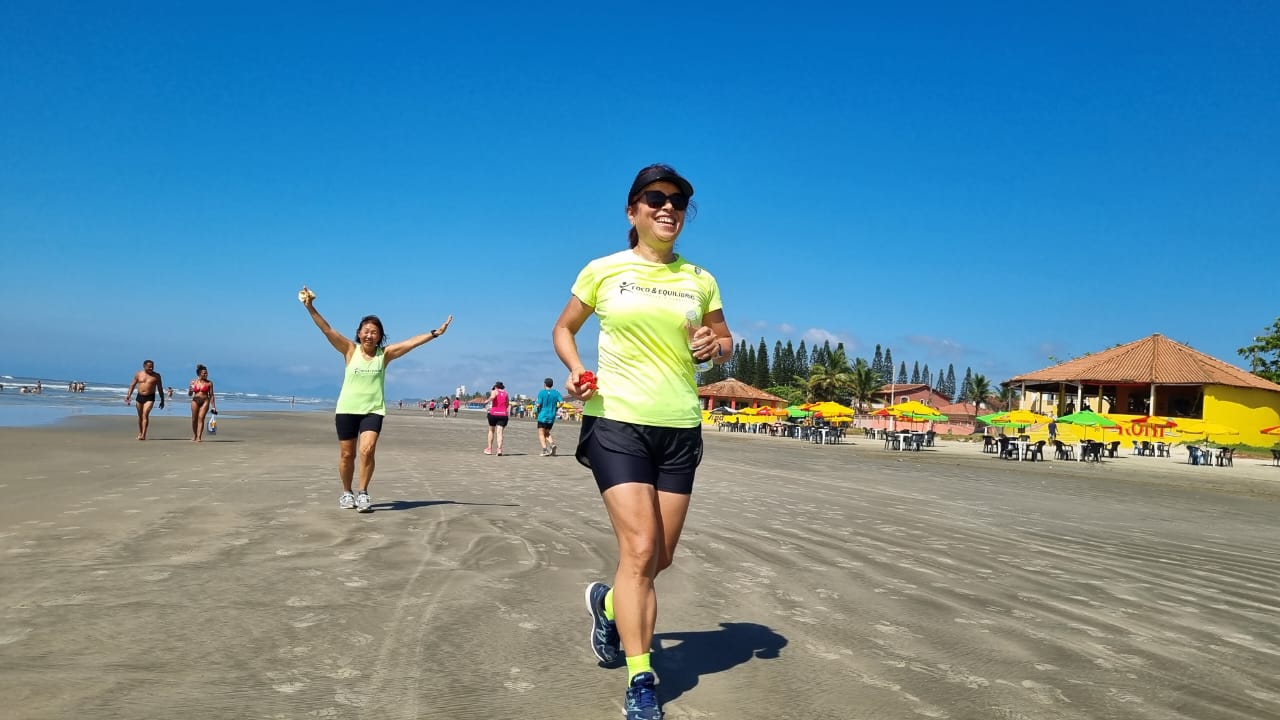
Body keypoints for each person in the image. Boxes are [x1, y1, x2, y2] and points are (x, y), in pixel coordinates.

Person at [552, 164, 732, 720]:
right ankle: (642, 679)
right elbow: (564, 328)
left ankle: (607, 605)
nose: (668, 207)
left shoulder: (700, 279)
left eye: (678, 201)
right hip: (617, 422)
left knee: (662, 555)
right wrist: (577, 369)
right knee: (638, 550)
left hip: (679, 425)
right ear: (632, 210)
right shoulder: (604, 271)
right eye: (655, 198)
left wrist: (715, 343)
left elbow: (724, 340)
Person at [300, 285, 453, 512]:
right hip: (347, 409)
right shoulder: (349, 350)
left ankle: (362, 492)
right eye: (366, 331)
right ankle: (346, 492)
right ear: (359, 333)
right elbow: (327, 330)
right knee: (347, 454)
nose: (370, 335)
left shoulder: (385, 355)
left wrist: (434, 333)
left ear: (380, 336)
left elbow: (410, 343)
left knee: (367, 450)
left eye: (374, 331)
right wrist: (310, 307)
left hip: (373, 409)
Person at [125, 359, 165, 440]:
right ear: (144, 366)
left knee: (145, 414)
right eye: (149, 367)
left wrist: (162, 400)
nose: (151, 368)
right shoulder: (138, 374)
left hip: (150, 397)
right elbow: (132, 385)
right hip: (139, 396)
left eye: (152, 367)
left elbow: (160, 388)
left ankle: (143, 434)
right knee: (140, 416)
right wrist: (128, 395)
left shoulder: (156, 376)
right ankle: (140, 432)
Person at [188, 364, 217, 442]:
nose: (206, 374)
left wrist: (213, 407)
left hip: (205, 401)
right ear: (199, 373)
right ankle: (194, 435)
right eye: (204, 373)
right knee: (194, 419)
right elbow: (190, 394)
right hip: (195, 401)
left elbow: (211, 395)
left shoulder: (209, 383)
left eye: (206, 373)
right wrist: (190, 391)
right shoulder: (193, 382)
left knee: (201, 418)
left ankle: (199, 437)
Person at [535, 377, 563, 456]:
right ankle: (552, 444)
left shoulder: (542, 393)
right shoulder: (556, 393)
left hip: (542, 415)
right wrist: (557, 407)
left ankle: (544, 450)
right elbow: (562, 402)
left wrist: (536, 404)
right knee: (547, 432)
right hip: (552, 416)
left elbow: (538, 404)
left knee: (541, 433)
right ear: (552, 384)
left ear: (544, 384)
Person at [484, 381, 510, 455]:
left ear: (496, 387)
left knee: (491, 430)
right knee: (500, 432)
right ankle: (499, 449)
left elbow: (492, 397)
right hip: (503, 414)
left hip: (494, 413)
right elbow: (507, 404)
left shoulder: (495, 391)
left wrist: (487, 401)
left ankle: (489, 449)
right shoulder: (506, 393)